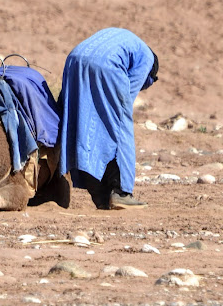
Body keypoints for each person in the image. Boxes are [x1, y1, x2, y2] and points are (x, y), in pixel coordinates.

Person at [57, 28, 159, 210]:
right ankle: (121, 193)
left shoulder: (127, 40)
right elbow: (126, 99)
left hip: (75, 60)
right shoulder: (147, 59)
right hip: (106, 65)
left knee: (77, 118)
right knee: (120, 124)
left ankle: (101, 194)